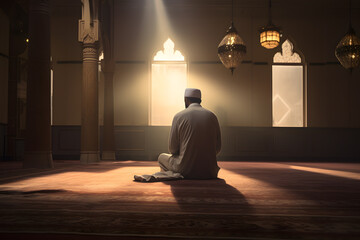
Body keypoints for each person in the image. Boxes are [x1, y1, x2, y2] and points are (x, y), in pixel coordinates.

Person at [157, 88, 221, 179]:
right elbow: (218, 148)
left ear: (186, 100)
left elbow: (172, 149)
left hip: (185, 170)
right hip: (210, 171)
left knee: (161, 157)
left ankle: (174, 176)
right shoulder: (212, 116)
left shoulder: (179, 116)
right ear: (200, 100)